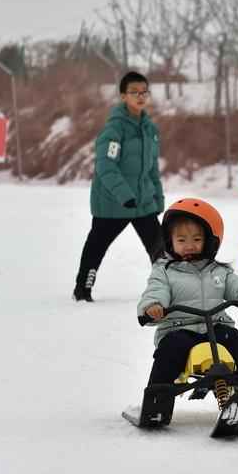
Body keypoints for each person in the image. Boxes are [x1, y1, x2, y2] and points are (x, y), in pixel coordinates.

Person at [137, 198, 238, 412]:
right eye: (181, 240)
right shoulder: (164, 271)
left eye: (196, 239)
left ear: (210, 242)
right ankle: (158, 396)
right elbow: (156, 291)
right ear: (170, 241)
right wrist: (153, 306)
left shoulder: (219, 271)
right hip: (179, 328)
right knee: (170, 350)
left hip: (217, 327)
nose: (189, 245)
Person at [73, 71, 165, 302]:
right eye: (134, 92)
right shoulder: (114, 130)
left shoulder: (149, 129)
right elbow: (105, 166)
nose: (140, 96)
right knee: (96, 247)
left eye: (144, 92)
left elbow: (152, 168)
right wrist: (124, 195)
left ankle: (168, 291)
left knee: (160, 251)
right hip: (113, 203)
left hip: (142, 202)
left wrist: (158, 198)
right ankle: (82, 290)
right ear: (123, 96)